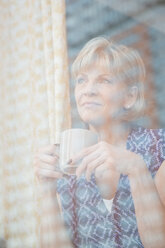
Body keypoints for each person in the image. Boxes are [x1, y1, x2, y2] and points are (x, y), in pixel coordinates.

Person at [34, 37, 165, 248]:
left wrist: (136, 168)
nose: (88, 90)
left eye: (104, 80)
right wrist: (46, 189)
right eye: (82, 80)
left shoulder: (159, 147)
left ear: (129, 97)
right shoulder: (68, 164)